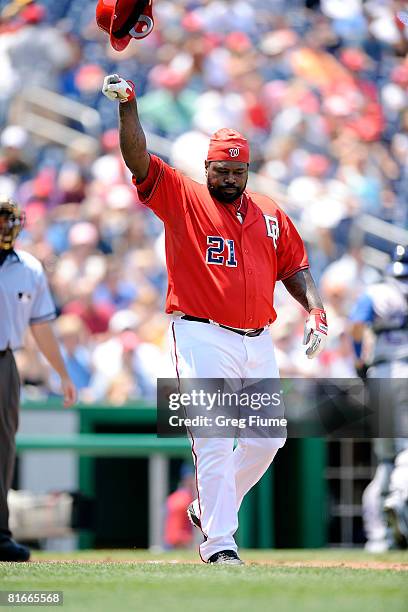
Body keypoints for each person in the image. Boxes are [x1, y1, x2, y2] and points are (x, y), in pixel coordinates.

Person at [102, 74, 328, 565]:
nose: (229, 177)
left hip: (258, 337)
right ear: (207, 166)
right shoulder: (184, 195)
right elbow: (137, 160)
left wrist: (314, 307)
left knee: (269, 439)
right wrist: (128, 108)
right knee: (213, 435)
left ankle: (209, 508)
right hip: (201, 332)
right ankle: (219, 544)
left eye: (237, 170)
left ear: (249, 170)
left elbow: (295, 267)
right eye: (222, 169)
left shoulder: (269, 212)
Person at [0, 195, 77, 562]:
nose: (3, 227)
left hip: (4, 360)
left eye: (6, 219)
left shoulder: (29, 267)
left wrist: (61, 373)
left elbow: (41, 326)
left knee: (2, 448)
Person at [350, 244, 408, 551]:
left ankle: (378, 536)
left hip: (382, 373)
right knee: (405, 449)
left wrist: (360, 359)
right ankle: (400, 499)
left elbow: (356, 326)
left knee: (385, 458)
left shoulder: (376, 291)